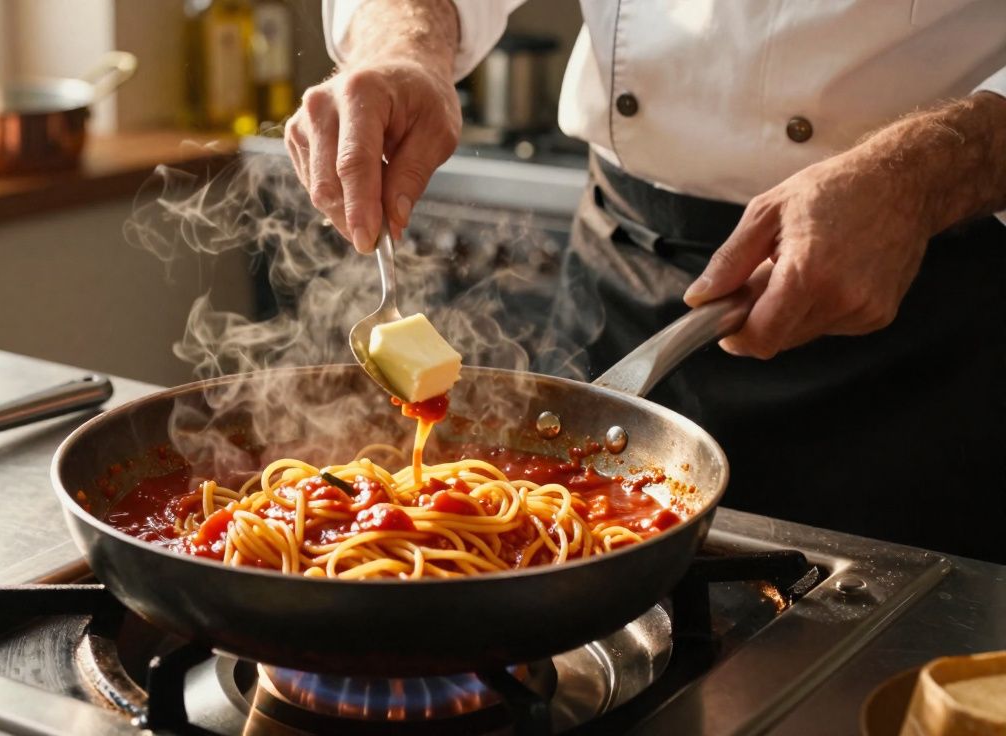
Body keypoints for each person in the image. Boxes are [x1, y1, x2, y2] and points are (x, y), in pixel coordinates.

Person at [284, 0, 1006, 562]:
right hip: (620, 268)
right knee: (564, 567)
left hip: (927, 314)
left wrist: (922, 176)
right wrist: (402, 49)